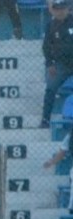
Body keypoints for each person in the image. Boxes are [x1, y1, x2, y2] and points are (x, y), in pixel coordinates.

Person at [43, 0, 73, 128]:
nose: (60, 11)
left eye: (62, 8)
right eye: (57, 9)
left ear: (68, 8)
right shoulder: (50, 25)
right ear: (53, 10)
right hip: (61, 64)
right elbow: (46, 47)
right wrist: (50, 64)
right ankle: (45, 119)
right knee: (50, 87)